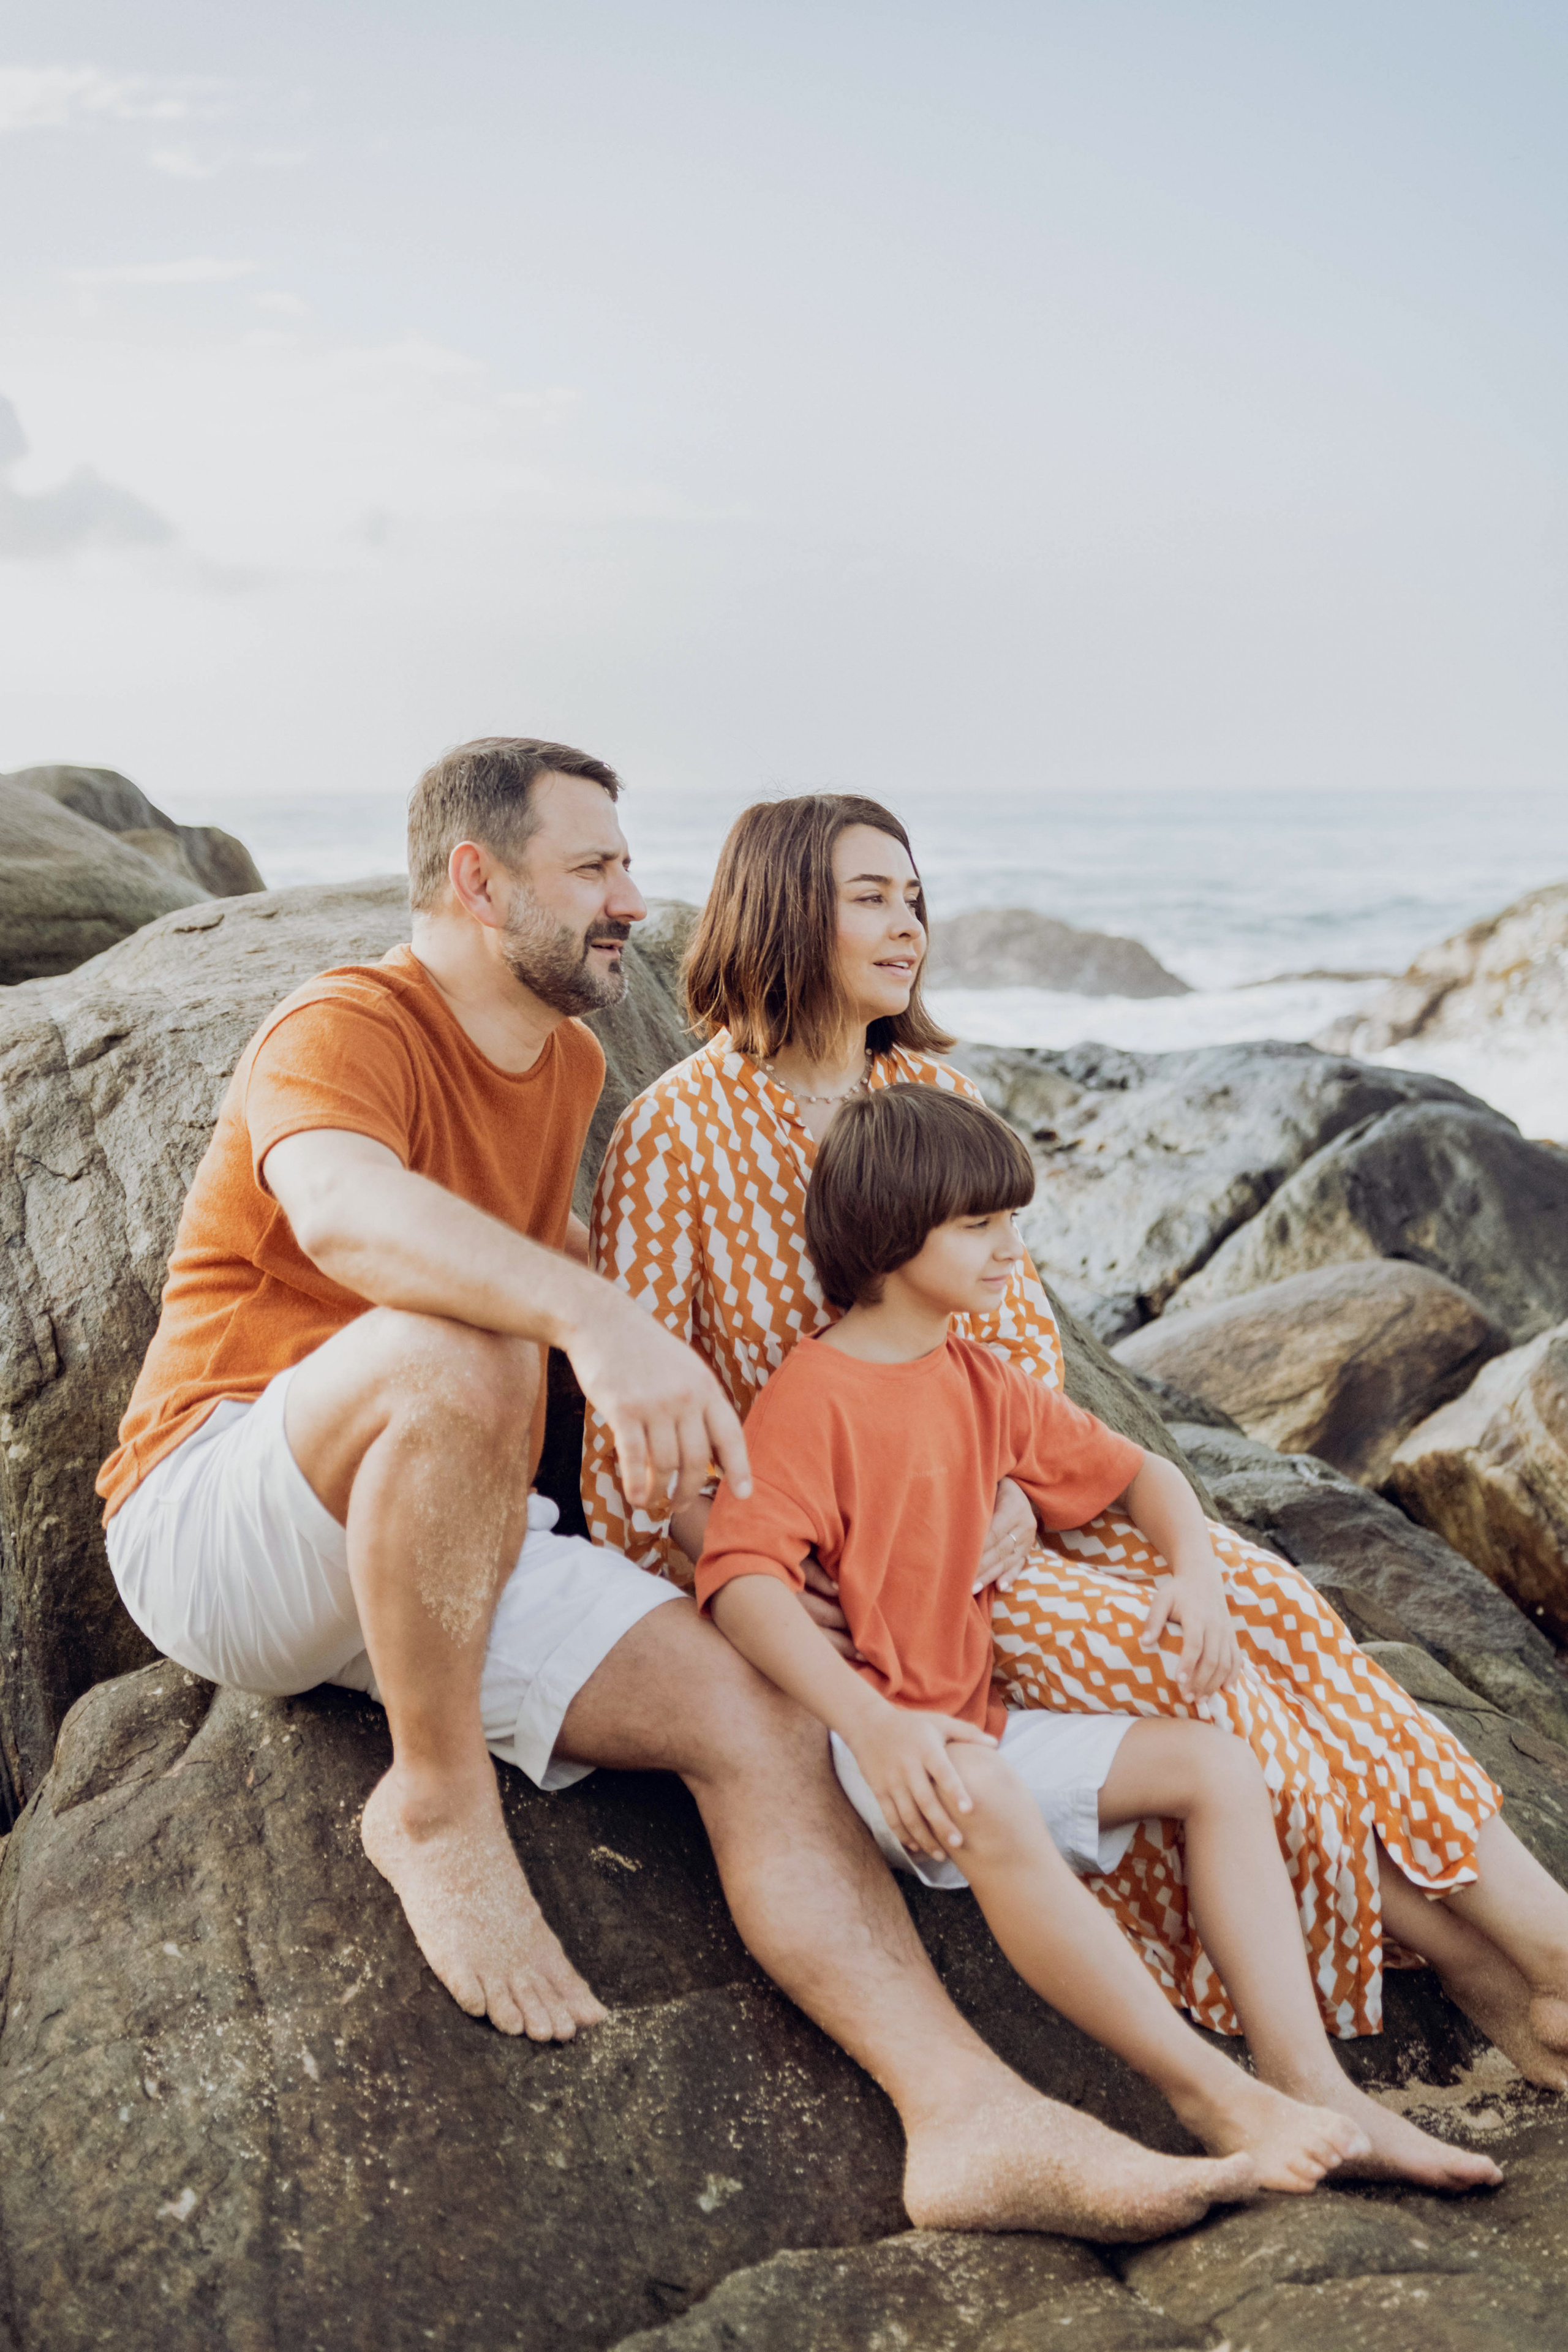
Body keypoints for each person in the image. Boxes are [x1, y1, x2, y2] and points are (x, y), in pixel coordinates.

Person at [97, 735, 1273, 2246]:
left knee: (761, 1711)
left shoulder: (571, 1061)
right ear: (475, 878)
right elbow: (347, 1212)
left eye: (627, 868)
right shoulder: (344, 1023)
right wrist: (594, 1320)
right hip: (223, 1514)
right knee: (471, 1346)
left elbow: (597, 1293)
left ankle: (965, 2122)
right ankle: (437, 1801)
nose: (632, 903)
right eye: (591, 869)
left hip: (443, 1539)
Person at [584, 790, 1568, 2166]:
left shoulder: (935, 1094)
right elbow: (638, 1430)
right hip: (849, 1566)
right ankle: (1485, 1962)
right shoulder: (676, 1135)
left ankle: (1532, 1954)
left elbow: (1020, 1361)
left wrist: (1016, 1496)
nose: (907, 923)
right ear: (780, 909)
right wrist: (740, 1564)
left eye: (914, 896)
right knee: (1180, 1671)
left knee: (1257, 1598)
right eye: (869, 895)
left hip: (1006, 1509)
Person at [696, 1082, 1487, 2191]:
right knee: (992, 1787)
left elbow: (1145, 1474)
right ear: (887, 1230)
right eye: (979, 1225)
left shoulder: (977, 1380)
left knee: (1216, 1764)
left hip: (978, 1729)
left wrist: (1197, 1577)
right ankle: (1210, 2103)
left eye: (1012, 1221)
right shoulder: (810, 1398)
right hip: (880, 1751)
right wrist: (869, 1723)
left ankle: (1311, 2081)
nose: (1011, 1249)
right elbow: (738, 1579)